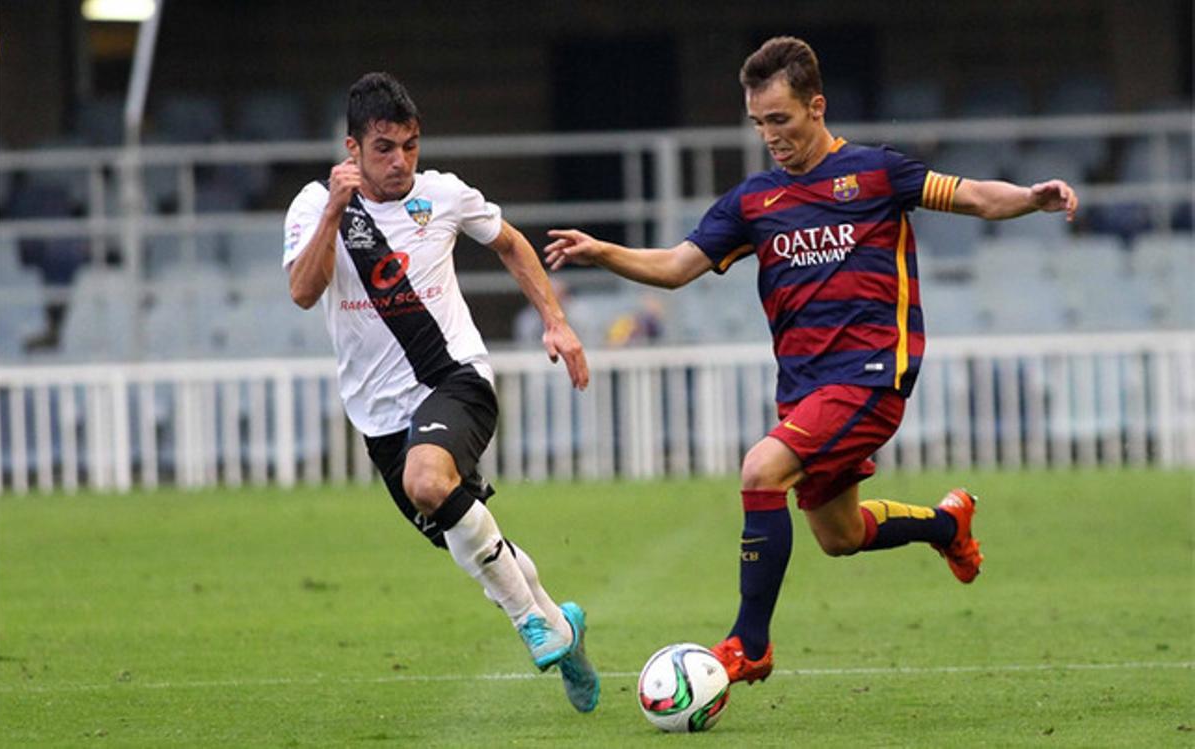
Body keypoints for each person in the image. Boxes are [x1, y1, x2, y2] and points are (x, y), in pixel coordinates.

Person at [545, 37, 1079, 685]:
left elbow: (973, 196)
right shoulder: (753, 202)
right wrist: (604, 251)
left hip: (874, 373)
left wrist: (1032, 196)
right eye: (758, 123)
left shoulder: (877, 173)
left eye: (781, 119)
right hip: (805, 389)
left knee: (761, 468)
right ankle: (947, 522)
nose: (770, 135)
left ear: (816, 106)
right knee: (840, 534)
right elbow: (677, 266)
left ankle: (749, 643)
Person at [283, 72, 599, 712]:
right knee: (473, 543)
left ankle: (529, 625)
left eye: (410, 145)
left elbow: (511, 245)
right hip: (380, 420)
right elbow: (303, 291)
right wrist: (336, 214)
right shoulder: (315, 206)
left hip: (457, 379)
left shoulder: (445, 195)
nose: (400, 161)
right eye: (384, 148)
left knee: (430, 482)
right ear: (352, 149)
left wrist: (556, 322)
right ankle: (563, 627)